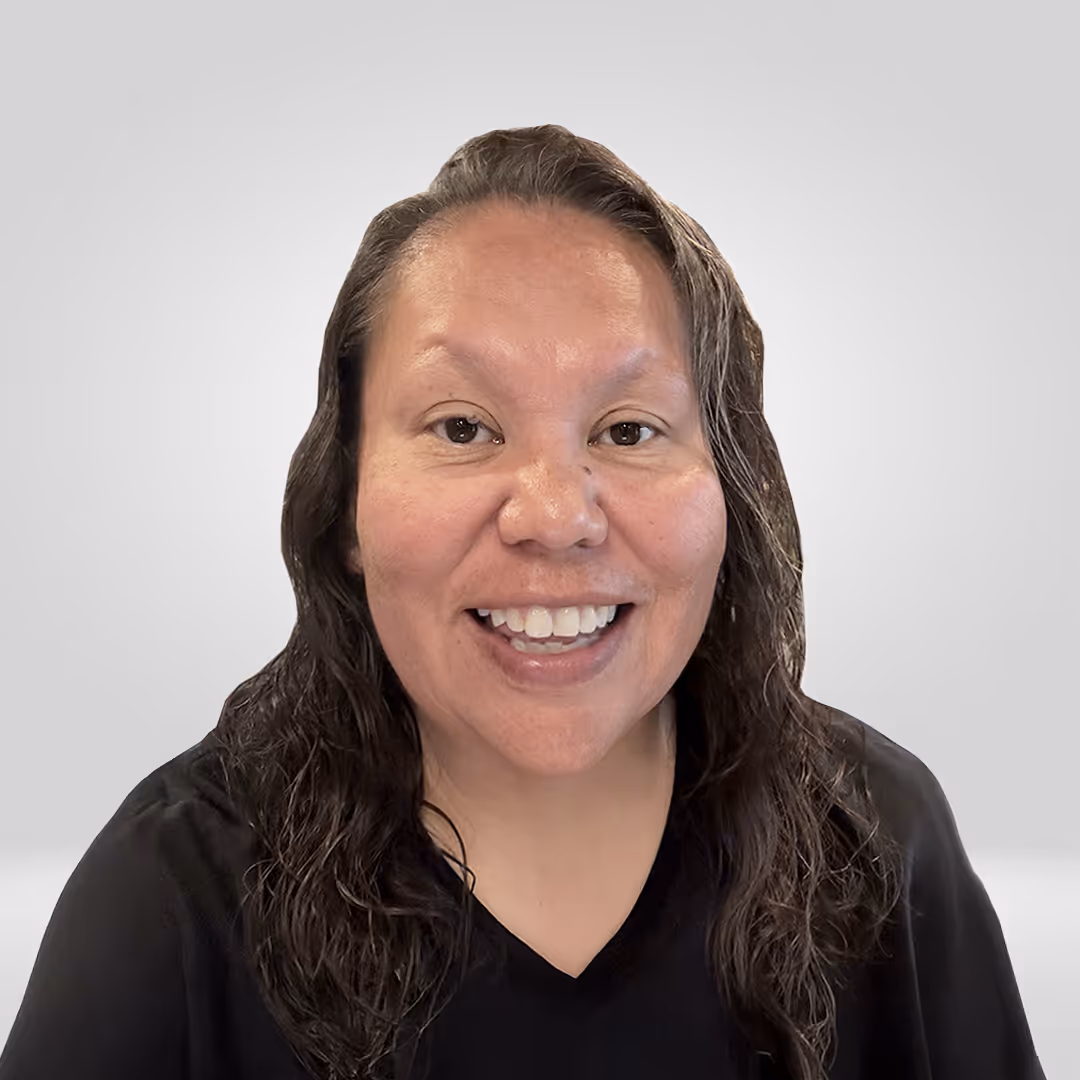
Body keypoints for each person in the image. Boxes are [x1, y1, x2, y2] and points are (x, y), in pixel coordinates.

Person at [0, 125, 1045, 1080]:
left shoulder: (877, 840)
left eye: (629, 431)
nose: (555, 515)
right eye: (462, 428)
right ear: (345, 509)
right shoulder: (169, 900)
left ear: (735, 498)